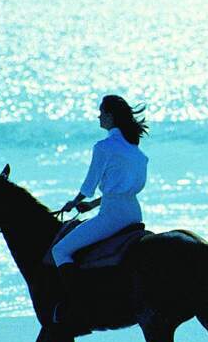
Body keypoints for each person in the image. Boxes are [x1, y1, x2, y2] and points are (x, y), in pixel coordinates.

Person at [50, 95, 150, 326]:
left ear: (110, 116)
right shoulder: (137, 152)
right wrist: (93, 206)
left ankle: (76, 306)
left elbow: (89, 185)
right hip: (134, 213)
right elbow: (123, 189)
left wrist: (74, 202)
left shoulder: (104, 147)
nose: (98, 117)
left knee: (60, 251)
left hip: (112, 216)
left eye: (101, 112)